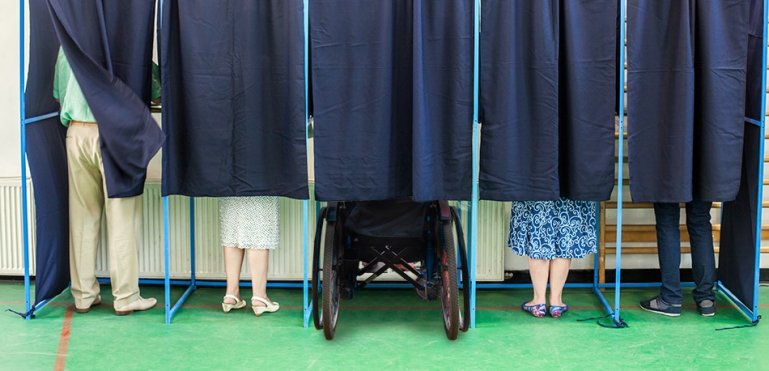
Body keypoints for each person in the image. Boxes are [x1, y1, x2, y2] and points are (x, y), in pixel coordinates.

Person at [54, 47, 158, 315]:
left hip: (76, 132)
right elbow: (154, 88)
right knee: (122, 216)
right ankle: (125, 297)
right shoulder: (122, 38)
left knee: (82, 216)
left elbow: (58, 93)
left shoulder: (67, 43)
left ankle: (83, 295)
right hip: (115, 135)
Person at [509, 198, 597, 318]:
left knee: (538, 232)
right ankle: (556, 303)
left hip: (537, 185)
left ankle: (538, 302)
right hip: (568, 184)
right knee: (566, 233)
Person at [640, 200, 716, 317]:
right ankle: (706, 298)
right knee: (700, 221)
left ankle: (670, 298)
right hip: (704, 180)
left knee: (667, 220)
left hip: (669, 181)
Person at [219, 196, 281, 316]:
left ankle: (231, 295)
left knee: (232, 231)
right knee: (259, 229)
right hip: (261, 182)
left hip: (232, 181)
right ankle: (259, 297)